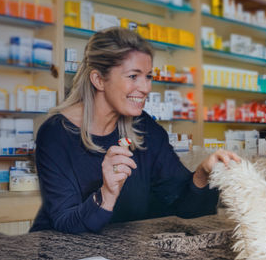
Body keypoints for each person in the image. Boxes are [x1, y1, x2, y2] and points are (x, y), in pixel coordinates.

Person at [29, 28, 244, 234]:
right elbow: (64, 223)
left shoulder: (143, 128)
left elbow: (184, 207)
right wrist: (107, 194)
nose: (146, 88)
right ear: (99, 80)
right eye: (133, 76)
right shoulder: (56, 133)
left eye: (148, 76)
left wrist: (203, 173)